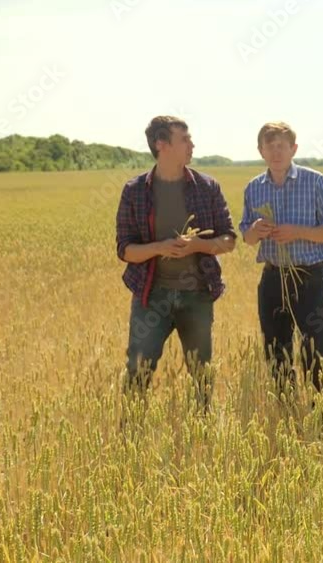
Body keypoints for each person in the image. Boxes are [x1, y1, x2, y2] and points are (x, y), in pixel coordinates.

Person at [115, 115, 236, 412]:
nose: (192, 144)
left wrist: (197, 246)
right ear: (161, 144)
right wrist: (159, 248)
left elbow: (230, 240)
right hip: (150, 296)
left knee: (201, 374)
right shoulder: (135, 191)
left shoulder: (207, 187)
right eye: (184, 139)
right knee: (138, 369)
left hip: (197, 295)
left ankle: (204, 435)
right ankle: (130, 435)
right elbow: (125, 250)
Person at [239, 121, 323, 397]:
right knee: (276, 348)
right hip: (273, 277)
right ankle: (286, 410)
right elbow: (246, 237)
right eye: (269, 146)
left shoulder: (315, 181)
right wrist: (255, 231)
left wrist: (298, 232)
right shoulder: (253, 188)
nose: (276, 152)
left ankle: (319, 412)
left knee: (315, 347)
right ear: (260, 151)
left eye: (281, 146)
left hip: (309, 277)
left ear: (293, 149)